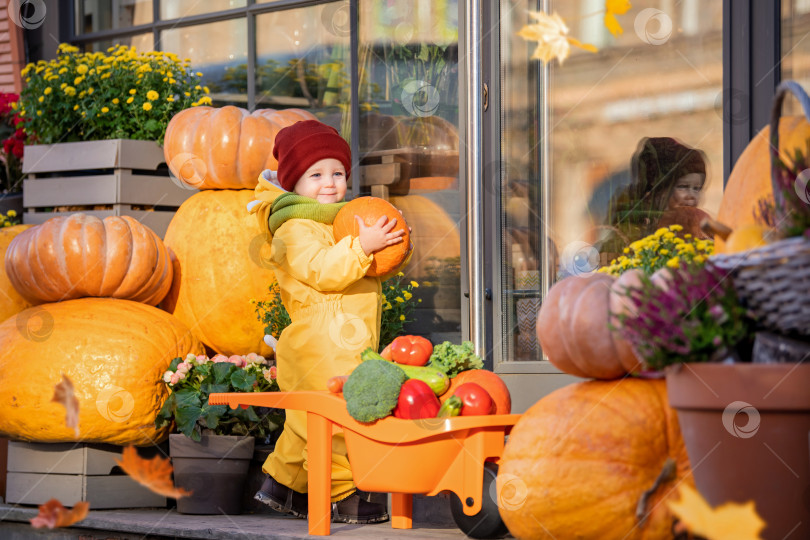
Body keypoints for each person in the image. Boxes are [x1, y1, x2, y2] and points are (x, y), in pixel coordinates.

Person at [246, 120, 408, 524]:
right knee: (334, 421)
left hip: (338, 340)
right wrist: (362, 246)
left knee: (306, 424)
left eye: (337, 173)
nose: (329, 183)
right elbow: (322, 270)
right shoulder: (295, 227)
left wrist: (386, 238)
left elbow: (366, 265)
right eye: (315, 175)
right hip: (318, 343)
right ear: (294, 182)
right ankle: (341, 494)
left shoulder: (336, 221)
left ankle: (281, 485)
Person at [601, 137, 710, 256]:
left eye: (697, 188)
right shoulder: (639, 226)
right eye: (683, 186)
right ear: (659, 191)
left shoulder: (699, 221)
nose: (692, 195)